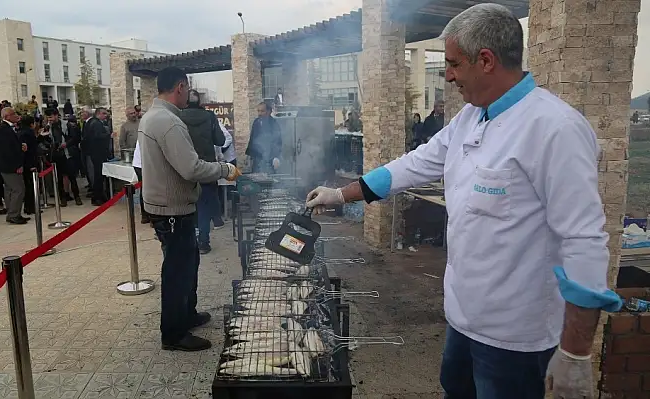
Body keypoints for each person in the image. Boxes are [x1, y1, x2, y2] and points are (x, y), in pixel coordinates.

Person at [305, 4, 622, 399]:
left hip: (516, 336)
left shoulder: (555, 128)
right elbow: (416, 164)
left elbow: (584, 240)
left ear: (485, 61)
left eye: (453, 63)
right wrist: (341, 193)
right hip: (463, 318)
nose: (449, 74)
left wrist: (576, 352)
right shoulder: (471, 118)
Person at [140, 66, 240, 352]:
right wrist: (225, 169)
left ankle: (187, 314)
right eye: (187, 89)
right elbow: (191, 167)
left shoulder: (154, 116)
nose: (188, 95)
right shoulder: (168, 122)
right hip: (172, 209)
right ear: (180, 87)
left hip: (170, 205)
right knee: (177, 271)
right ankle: (173, 334)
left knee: (189, 262)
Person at [178, 89, 226, 254]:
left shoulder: (178, 116)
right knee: (204, 205)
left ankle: (189, 242)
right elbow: (221, 139)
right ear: (200, 102)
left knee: (187, 206)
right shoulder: (210, 117)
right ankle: (204, 243)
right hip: (207, 168)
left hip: (185, 167)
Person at [0, 107, 29, 225]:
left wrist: (21, 145)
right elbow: (7, 150)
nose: (16, 116)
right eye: (13, 114)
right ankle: (14, 214)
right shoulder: (3, 130)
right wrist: (17, 165)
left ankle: (12, 213)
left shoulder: (7, 128)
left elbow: (12, 145)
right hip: (10, 165)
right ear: (7, 116)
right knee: (18, 189)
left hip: (7, 165)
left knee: (10, 190)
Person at [45, 108, 82, 206]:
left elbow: (75, 138)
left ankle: (77, 197)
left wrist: (66, 144)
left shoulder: (67, 125)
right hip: (57, 155)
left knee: (72, 177)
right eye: (48, 117)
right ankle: (63, 199)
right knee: (59, 178)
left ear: (57, 115)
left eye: (51, 116)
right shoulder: (48, 127)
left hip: (67, 154)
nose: (50, 119)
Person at [84, 107, 111, 205]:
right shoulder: (96, 123)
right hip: (97, 153)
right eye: (104, 113)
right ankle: (97, 197)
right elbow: (97, 136)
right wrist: (109, 135)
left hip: (94, 152)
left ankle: (99, 196)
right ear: (98, 113)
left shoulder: (92, 122)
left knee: (99, 175)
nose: (105, 115)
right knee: (98, 175)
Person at [246, 102, 281, 173]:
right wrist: (249, 155)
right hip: (257, 157)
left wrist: (276, 157)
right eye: (258, 111)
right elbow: (252, 138)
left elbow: (278, 141)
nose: (259, 113)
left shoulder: (274, 123)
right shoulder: (256, 122)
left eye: (262, 111)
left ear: (269, 112)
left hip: (269, 158)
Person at [18, 115, 39, 215]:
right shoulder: (29, 133)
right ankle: (31, 207)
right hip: (29, 162)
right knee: (30, 185)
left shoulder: (20, 132)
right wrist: (32, 164)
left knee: (27, 185)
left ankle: (28, 207)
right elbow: (31, 150)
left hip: (24, 162)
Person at [132, 140, 149, 224]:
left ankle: (145, 215)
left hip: (139, 163)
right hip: (142, 164)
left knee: (144, 189)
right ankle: (148, 215)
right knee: (147, 190)